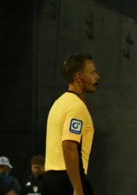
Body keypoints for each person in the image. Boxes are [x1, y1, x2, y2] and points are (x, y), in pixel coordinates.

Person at [40, 56, 98, 195]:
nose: (97, 77)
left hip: (49, 179)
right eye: (92, 72)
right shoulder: (76, 107)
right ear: (79, 77)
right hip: (67, 180)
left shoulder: (58, 104)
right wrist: (78, 188)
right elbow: (69, 146)